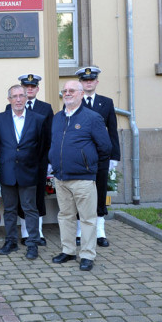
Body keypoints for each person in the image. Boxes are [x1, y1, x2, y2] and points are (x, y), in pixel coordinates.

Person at [49, 80, 112, 271]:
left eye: (71, 91)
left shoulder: (92, 118)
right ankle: (68, 251)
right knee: (65, 216)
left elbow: (105, 147)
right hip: (61, 178)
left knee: (87, 218)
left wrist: (88, 165)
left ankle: (87, 255)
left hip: (83, 179)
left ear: (81, 94)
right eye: (65, 91)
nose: (67, 93)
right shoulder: (58, 117)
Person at [0, 85, 46, 260]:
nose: (18, 99)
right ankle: (11, 242)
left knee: (30, 209)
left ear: (26, 98)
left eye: (21, 96)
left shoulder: (38, 119)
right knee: (9, 209)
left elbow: (42, 146)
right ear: (9, 99)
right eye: (14, 96)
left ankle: (32, 243)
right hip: (8, 172)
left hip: (29, 172)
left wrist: (32, 164)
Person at [6, 74, 54, 246]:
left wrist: (47, 161)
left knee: (37, 197)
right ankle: (26, 232)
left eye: (33, 87)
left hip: (38, 162)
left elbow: (48, 137)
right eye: (26, 87)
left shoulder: (45, 108)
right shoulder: (9, 107)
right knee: (21, 199)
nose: (30, 89)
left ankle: (38, 232)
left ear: (37, 89)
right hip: (18, 164)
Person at [77, 66, 121, 247]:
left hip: (102, 156)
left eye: (91, 80)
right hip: (81, 156)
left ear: (96, 82)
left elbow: (112, 131)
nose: (88, 83)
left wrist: (114, 157)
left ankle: (100, 231)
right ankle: (80, 231)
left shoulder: (106, 103)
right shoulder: (74, 101)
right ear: (80, 82)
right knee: (81, 193)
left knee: (100, 191)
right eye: (85, 80)